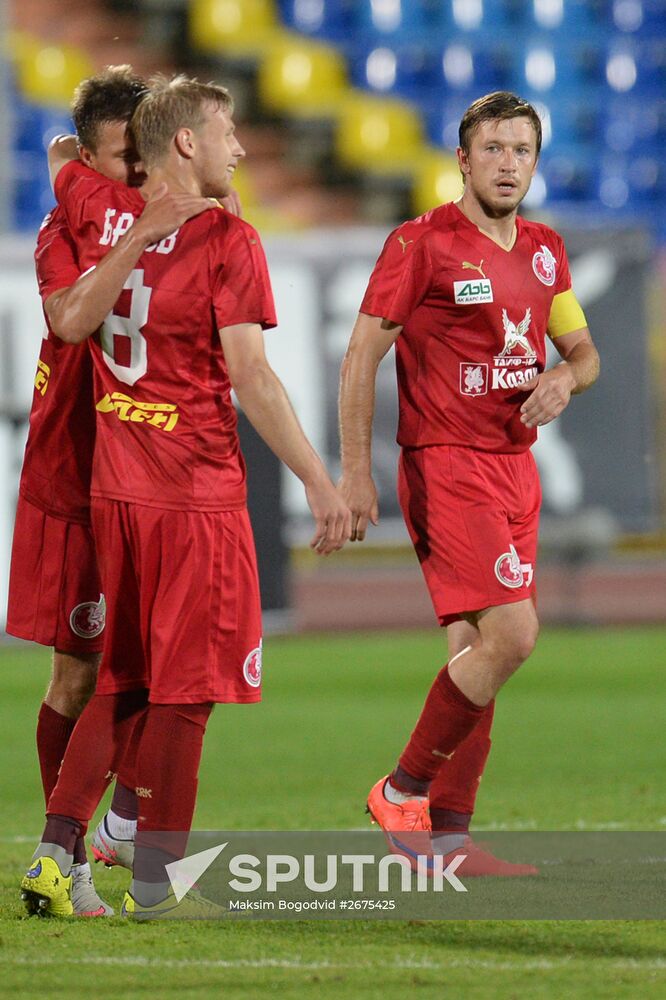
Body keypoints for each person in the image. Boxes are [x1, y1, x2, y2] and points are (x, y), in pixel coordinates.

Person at [20, 74, 351, 919]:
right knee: (180, 687)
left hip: (116, 485)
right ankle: (157, 874)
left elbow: (71, 168)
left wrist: (81, 164)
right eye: (228, 132)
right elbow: (252, 376)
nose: (242, 147)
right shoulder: (218, 241)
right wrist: (321, 478)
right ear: (187, 142)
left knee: (118, 677)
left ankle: (68, 847)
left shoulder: (90, 211)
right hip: (184, 487)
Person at [339, 91, 600, 875]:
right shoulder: (421, 244)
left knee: (474, 650)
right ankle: (403, 788)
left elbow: (585, 353)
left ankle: (447, 841)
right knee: (513, 637)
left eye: (521, 150)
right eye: (492, 149)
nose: (508, 164)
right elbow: (360, 357)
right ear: (461, 158)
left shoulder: (547, 249)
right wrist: (355, 471)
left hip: (515, 467)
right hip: (447, 463)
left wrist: (566, 379)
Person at [5, 65, 207, 915]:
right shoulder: (69, 227)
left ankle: (123, 817)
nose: (141, 172)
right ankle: (78, 852)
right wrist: (79, 180)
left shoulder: (125, 199)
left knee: (174, 664)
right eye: (124, 158)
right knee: (79, 678)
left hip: (148, 477)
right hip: (73, 483)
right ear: (92, 158)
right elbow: (66, 319)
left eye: (147, 155)